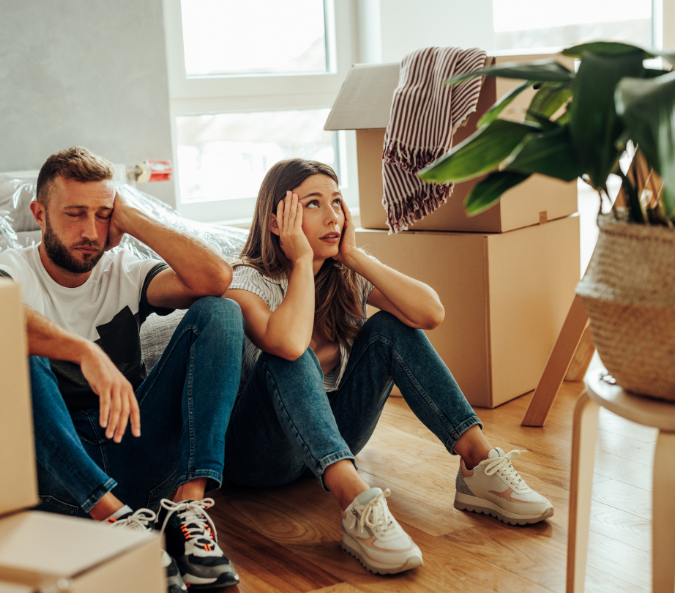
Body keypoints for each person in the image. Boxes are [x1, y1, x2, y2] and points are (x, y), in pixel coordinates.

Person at [222, 158, 554, 576]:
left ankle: (477, 463)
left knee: (391, 326)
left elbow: (430, 312)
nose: (332, 216)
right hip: (259, 457)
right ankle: (357, 503)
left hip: (336, 440)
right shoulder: (245, 281)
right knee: (291, 354)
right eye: (312, 204)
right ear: (277, 222)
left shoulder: (344, 276)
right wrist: (302, 261)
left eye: (337, 202)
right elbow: (288, 343)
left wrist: (355, 257)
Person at [0, 147, 243, 590]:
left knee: (222, 313)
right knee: (16, 347)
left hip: (133, 446)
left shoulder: (123, 270)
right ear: (39, 213)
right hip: (58, 470)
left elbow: (215, 279)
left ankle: (188, 508)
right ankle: (114, 522)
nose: (90, 231)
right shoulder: (11, 271)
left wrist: (133, 218)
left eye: (102, 215)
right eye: (75, 214)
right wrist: (85, 351)